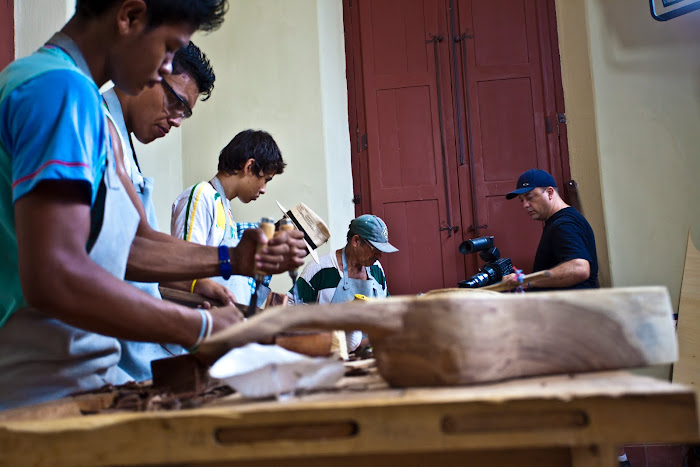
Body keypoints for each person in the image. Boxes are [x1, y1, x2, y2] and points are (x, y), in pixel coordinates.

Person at [0, 0, 306, 410]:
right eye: (167, 47)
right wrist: (199, 326)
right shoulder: (58, 90)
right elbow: (56, 276)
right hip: (40, 388)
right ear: (128, 16)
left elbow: (131, 245)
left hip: (78, 377)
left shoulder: (85, 105)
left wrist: (233, 257)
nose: (165, 67)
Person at [102, 41, 238, 381]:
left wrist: (193, 282)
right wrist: (228, 261)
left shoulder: (122, 140)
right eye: (174, 102)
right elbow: (126, 253)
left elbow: (141, 242)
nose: (176, 120)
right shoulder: (99, 127)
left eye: (185, 113)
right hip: (111, 350)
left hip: (136, 340)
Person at [171, 129, 285, 306]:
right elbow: (184, 269)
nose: (263, 190)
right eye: (266, 180)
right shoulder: (201, 196)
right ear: (249, 166)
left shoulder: (225, 209)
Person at [289, 215, 398, 352]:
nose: (379, 255)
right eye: (374, 249)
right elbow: (290, 310)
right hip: (330, 357)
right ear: (356, 241)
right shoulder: (320, 269)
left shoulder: (376, 269)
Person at [503, 169, 598, 290]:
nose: (525, 205)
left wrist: (527, 281)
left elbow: (579, 268)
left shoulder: (564, 224)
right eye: (522, 200)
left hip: (571, 307)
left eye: (530, 197)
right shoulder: (560, 220)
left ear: (549, 193)